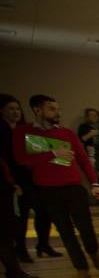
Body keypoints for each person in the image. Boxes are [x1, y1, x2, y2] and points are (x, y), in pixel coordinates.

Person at [12, 93, 99, 278]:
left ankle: (93, 251)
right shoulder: (24, 132)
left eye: (58, 109)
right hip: (47, 190)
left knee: (85, 226)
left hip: (73, 187)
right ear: (37, 110)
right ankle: (80, 267)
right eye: (52, 109)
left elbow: (83, 160)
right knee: (65, 230)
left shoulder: (66, 133)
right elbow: (21, 159)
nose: (57, 112)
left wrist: (95, 183)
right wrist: (52, 153)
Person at [1, 93, 52, 263]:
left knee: (44, 210)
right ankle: (21, 249)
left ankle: (43, 244)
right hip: (14, 179)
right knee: (21, 217)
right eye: (11, 109)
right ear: (2, 111)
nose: (15, 112)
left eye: (17, 108)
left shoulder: (25, 129)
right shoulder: (2, 131)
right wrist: (12, 183)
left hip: (32, 176)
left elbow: (36, 150)